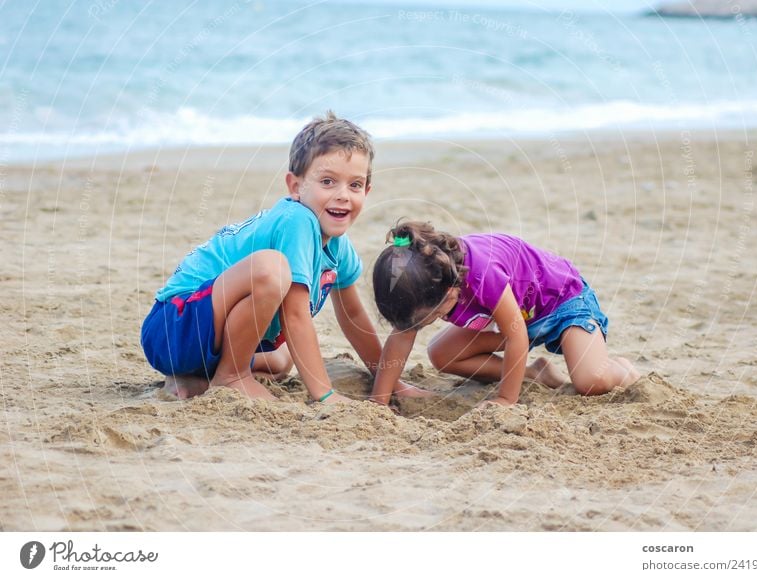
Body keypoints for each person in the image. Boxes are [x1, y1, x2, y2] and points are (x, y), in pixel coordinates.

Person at [141, 112, 419, 403]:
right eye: (327, 181)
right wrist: (324, 394)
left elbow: (352, 316)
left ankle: (195, 377)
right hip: (175, 324)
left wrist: (388, 380)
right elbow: (295, 315)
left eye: (355, 185)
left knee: (282, 359)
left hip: (205, 343)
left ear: (367, 190)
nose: (343, 195)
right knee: (271, 269)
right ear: (295, 186)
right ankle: (231, 376)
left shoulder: (339, 245)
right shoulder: (297, 220)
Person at [370, 221, 641, 407]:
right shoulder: (424, 279)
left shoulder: (481, 273)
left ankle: (623, 368)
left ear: (450, 291)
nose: (421, 325)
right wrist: (379, 401)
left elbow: (516, 335)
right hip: (518, 316)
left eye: (429, 317)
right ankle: (535, 373)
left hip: (562, 303)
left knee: (590, 381)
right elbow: (401, 336)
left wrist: (506, 400)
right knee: (441, 354)